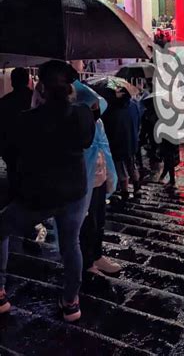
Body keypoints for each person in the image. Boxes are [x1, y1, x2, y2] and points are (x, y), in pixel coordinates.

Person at [0, 60, 95, 322]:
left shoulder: (26, 120)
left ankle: (0, 293)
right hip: (74, 193)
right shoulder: (82, 115)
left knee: (2, 229)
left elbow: (11, 151)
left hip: (36, 196)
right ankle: (71, 302)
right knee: (70, 244)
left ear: (40, 86)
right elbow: (87, 139)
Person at [73, 82, 120, 277]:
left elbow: (104, 150)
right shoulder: (76, 125)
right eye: (92, 106)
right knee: (87, 224)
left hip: (99, 181)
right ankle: (87, 262)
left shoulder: (98, 124)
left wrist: (110, 177)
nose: (96, 109)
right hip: (85, 184)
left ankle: (97, 255)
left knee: (99, 220)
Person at [102, 88, 141, 200]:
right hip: (132, 143)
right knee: (132, 165)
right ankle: (137, 188)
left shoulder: (111, 109)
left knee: (121, 169)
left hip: (117, 144)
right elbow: (138, 122)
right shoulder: (134, 106)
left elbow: (107, 127)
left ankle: (125, 192)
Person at [0, 68, 33, 201]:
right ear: (27, 81)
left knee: (13, 174)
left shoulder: (4, 101)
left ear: (13, 82)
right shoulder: (35, 99)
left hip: (11, 146)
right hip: (32, 145)